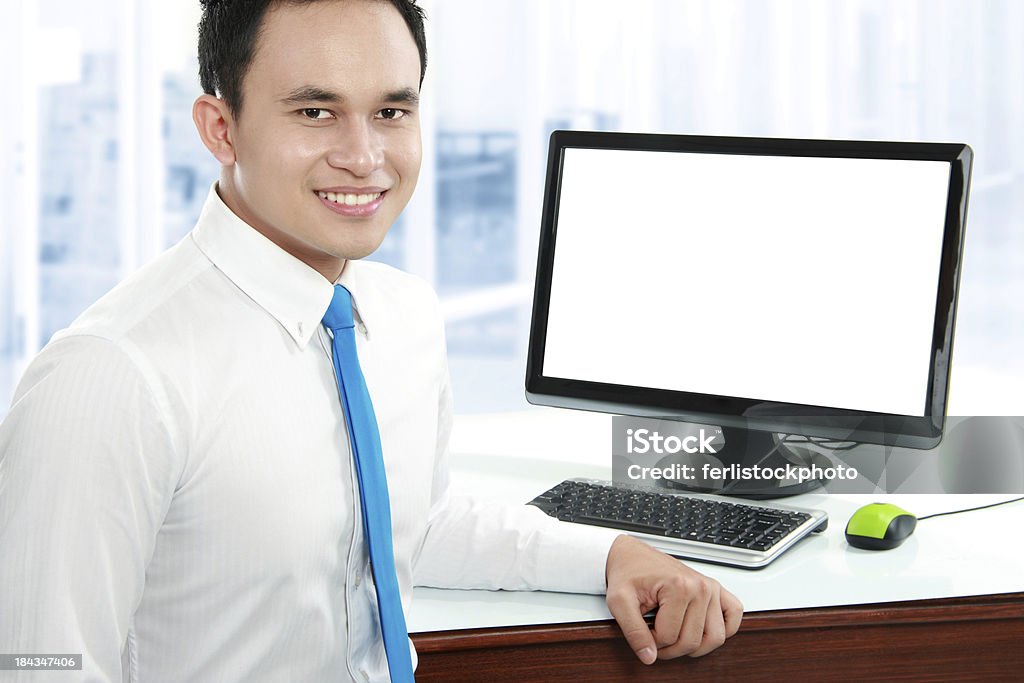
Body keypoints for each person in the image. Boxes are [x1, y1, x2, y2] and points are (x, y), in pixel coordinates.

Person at [0, 0, 742, 680]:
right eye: (316, 111)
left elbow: (404, 518)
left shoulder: (402, 314)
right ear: (219, 127)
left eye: (391, 110)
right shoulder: (112, 373)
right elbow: (41, 662)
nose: (364, 155)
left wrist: (612, 552)